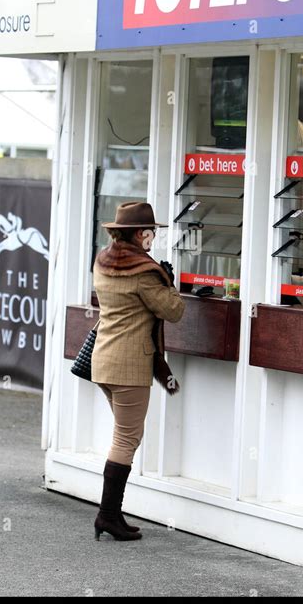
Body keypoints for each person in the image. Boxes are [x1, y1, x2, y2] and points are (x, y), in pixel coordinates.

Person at [91, 201, 185, 541]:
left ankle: (111, 515)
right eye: (152, 232)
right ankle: (108, 516)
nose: (154, 237)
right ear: (141, 234)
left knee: (124, 435)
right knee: (126, 438)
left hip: (103, 361)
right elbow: (173, 310)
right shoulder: (144, 272)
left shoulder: (102, 262)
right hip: (129, 366)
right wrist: (170, 284)